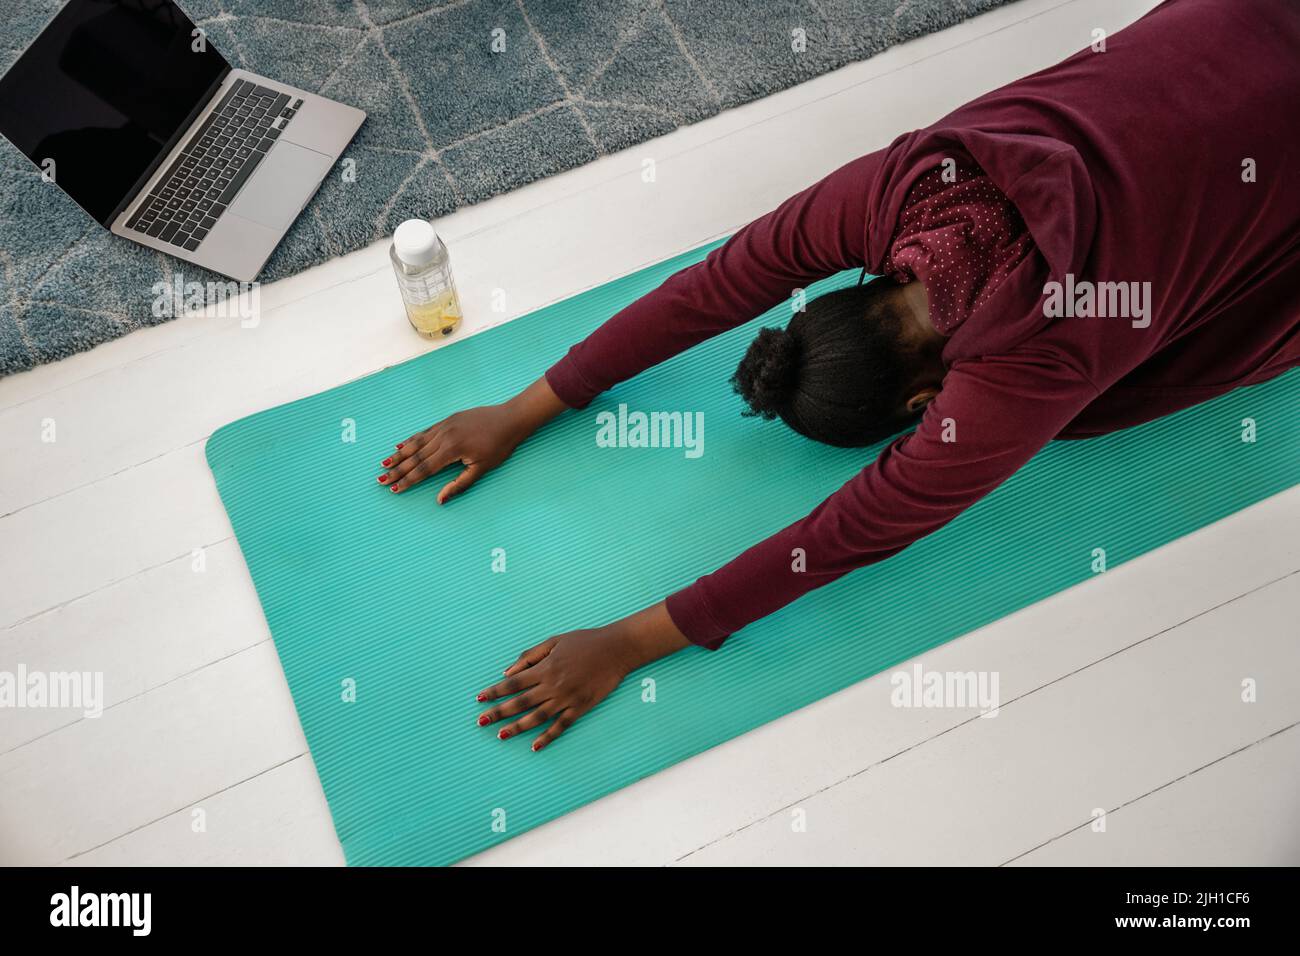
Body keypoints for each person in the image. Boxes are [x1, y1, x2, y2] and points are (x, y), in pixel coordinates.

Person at [376, 0, 1300, 751]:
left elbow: (853, 530)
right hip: (1228, 24)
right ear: (852, 287)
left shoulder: (1026, 371)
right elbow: (713, 287)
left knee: (1145, 375)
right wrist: (525, 408)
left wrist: (630, 643)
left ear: (922, 404)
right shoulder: (902, 187)